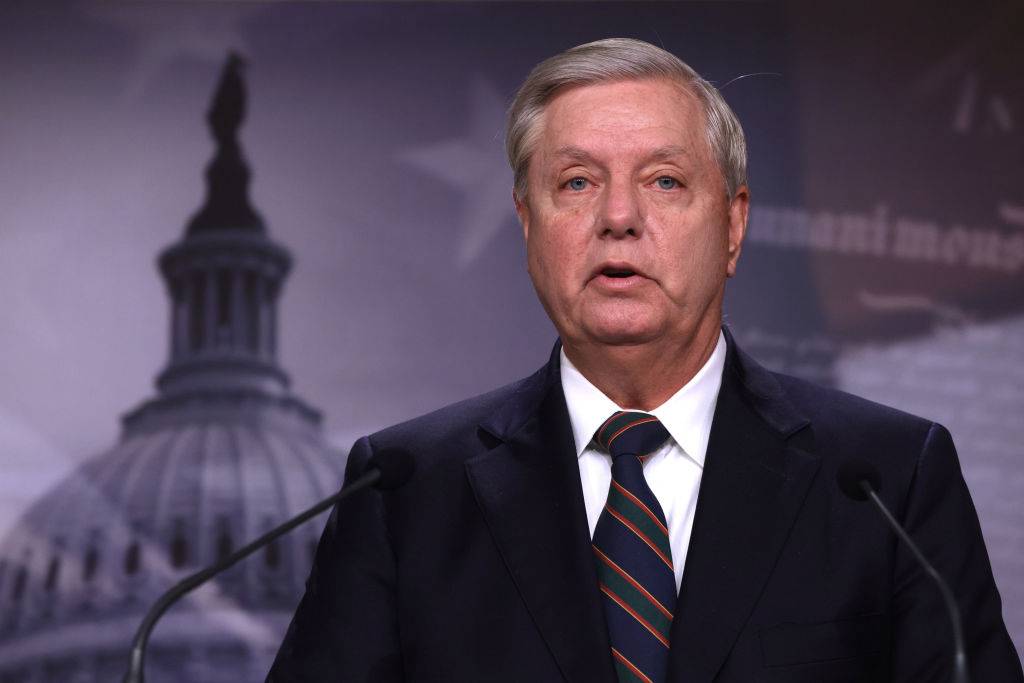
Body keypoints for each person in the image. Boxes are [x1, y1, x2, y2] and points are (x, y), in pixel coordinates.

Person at [268, 38, 1022, 682]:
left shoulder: (888, 479)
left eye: (665, 181)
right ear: (528, 225)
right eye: (577, 182)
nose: (620, 218)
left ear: (732, 225)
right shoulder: (404, 490)